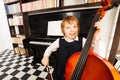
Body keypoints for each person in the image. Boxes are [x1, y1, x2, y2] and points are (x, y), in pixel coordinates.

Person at [41, 16, 102, 80]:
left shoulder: (83, 41)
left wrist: (96, 37)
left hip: (75, 72)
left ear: (78, 28)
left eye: (74, 26)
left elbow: (97, 54)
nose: (72, 30)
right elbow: (49, 48)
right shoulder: (59, 41)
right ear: (63, 30)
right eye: (68, 27)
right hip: (61, 71)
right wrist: (46, 56)